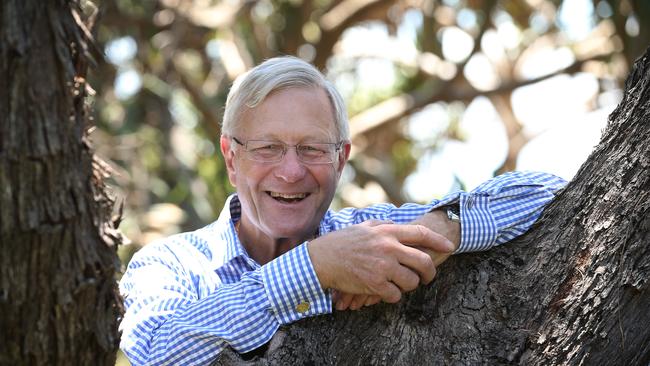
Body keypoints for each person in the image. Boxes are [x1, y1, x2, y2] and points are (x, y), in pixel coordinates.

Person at [119, 56, 566, 365]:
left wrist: (442, 228)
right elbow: (157, 351)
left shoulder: (373, 238)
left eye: (312, 148)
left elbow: (550, 191)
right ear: (231, 158)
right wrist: (315, 268)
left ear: (341, 158)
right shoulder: (170, 263)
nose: (291, 171)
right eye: (268, 148)